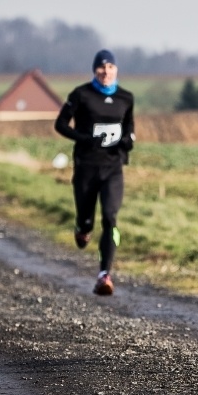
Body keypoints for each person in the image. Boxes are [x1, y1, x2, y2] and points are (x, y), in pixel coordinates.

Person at [54, 49, 135, 296]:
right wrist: (84, 139)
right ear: (94, 70)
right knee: (87, 219)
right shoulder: (81, 94)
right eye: (101, 68)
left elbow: (129, 127)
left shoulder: (126, 97)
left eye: (110, 67)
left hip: (113, 169)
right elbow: (60, 124)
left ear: (116, 70)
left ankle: (104, 275)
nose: (106, 72)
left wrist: (128, 140)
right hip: (86, 167)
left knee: (110, 217)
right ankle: (82, 228)